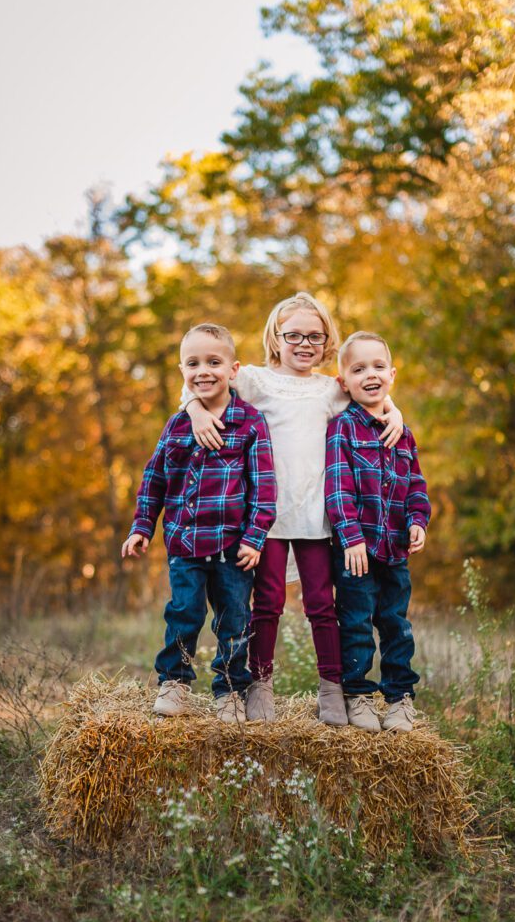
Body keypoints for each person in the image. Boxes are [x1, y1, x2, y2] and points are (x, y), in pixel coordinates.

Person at [183, 294, 404, 726]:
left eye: (315, 336)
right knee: (267, 603)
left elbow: (370, 395)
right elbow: (200, 385)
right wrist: (193, 411)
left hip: (315, 516)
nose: (305, 343)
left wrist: (394, 410)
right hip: (264, 517)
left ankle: (332, 689)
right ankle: (260, 685)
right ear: (275, 337)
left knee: (322, 604)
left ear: (326, 341)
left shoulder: (329, 388)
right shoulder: (254, 381)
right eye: (294, 335)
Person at [121, 323, 277, 723]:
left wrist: (255, 537)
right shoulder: (176, 425)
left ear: (233, 369)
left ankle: (230, 689)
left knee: (235, 620)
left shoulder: (250, 423)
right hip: (184, 544)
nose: (203, 371)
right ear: (182, 371)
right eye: (193, 363)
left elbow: (263, 487)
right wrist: (142, 526)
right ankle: (174, 682)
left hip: (233, 547)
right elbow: (153, 479)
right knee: (183, 613)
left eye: (214, 362)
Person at [325, 331, 431, 733]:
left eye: (378, 367)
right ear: (344, 381)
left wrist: (418, 520)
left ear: (392, 375)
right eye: (358, 369)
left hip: (395, 550)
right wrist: (350, 536)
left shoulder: (404, 433)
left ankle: (400, 699)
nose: (370, 375)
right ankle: (358, 696)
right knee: (355, 624)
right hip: (357, 551)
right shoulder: (343, 429)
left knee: (396, 625)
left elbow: (416, 485)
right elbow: (337, 488)